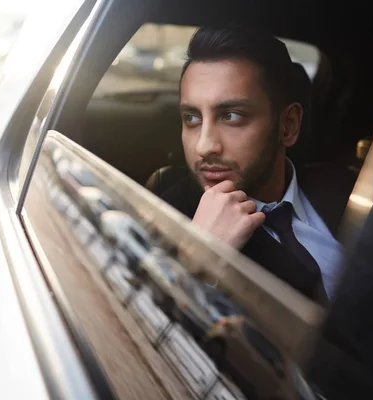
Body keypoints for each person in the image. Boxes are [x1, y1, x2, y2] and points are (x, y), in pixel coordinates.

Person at [147, 26, 356, 303]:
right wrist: (197, 261)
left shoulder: (347, 191)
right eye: (192, 118)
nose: (204, 146)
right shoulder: (161, 220)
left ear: (288, 125)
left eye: (231, 115)